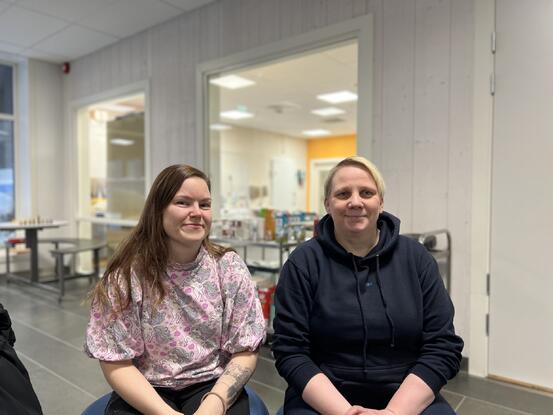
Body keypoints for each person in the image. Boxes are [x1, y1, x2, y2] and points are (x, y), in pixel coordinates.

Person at [272, 156, 463, 415]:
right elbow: (291, 351)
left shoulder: (417, 259)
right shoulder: (303, 263)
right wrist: (345, 413)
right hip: (325, 396)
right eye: (342, 193)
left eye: (366, 192)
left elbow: (443, 346)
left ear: (380, 202)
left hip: (406, 392)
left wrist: (394, 412)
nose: (355, 202)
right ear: (327, 204)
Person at [85, 164, 265, 415]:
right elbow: (116, 361)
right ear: (157, 210)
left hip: (210, 383)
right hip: (147, 385)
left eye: (204, 204)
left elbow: (245, 349)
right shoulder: (128, 276)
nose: (196, 213)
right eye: (183, 202)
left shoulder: (228, 267)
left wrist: (215, 403)